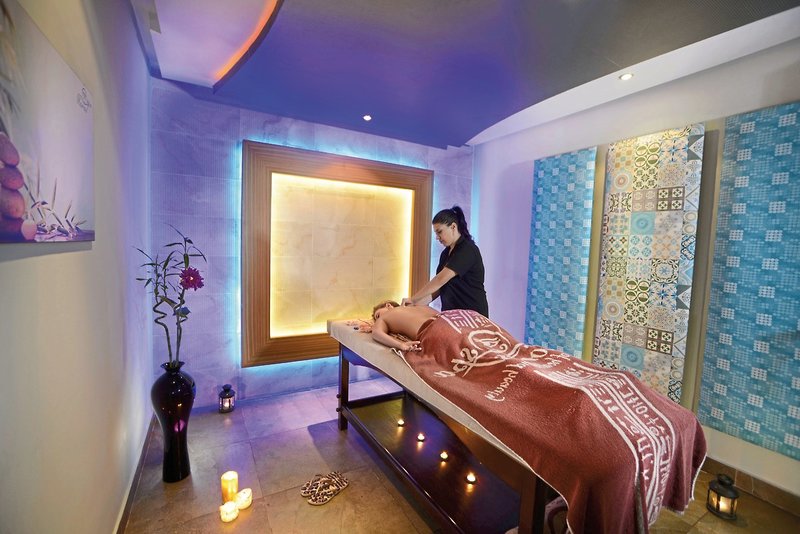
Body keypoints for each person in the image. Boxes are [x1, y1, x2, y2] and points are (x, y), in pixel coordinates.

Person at [402, 205, 488, 317]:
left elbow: (440, 279)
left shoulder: (467, 249)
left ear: (453, 227)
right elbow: (439, 288)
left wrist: (413, 298)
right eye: (436, 233)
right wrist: (414, 305)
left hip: (472, 316)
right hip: (453, 315)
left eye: (439, 232)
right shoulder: (445, 254)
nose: (437, 237)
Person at [371, 300, 438, 352]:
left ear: (388, 305)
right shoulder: (415, 306)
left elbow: (376, 332)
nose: (377, 321)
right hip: (442, 318)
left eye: (377, 315)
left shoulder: (384, 316)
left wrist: (401, 345)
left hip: (431, 332)